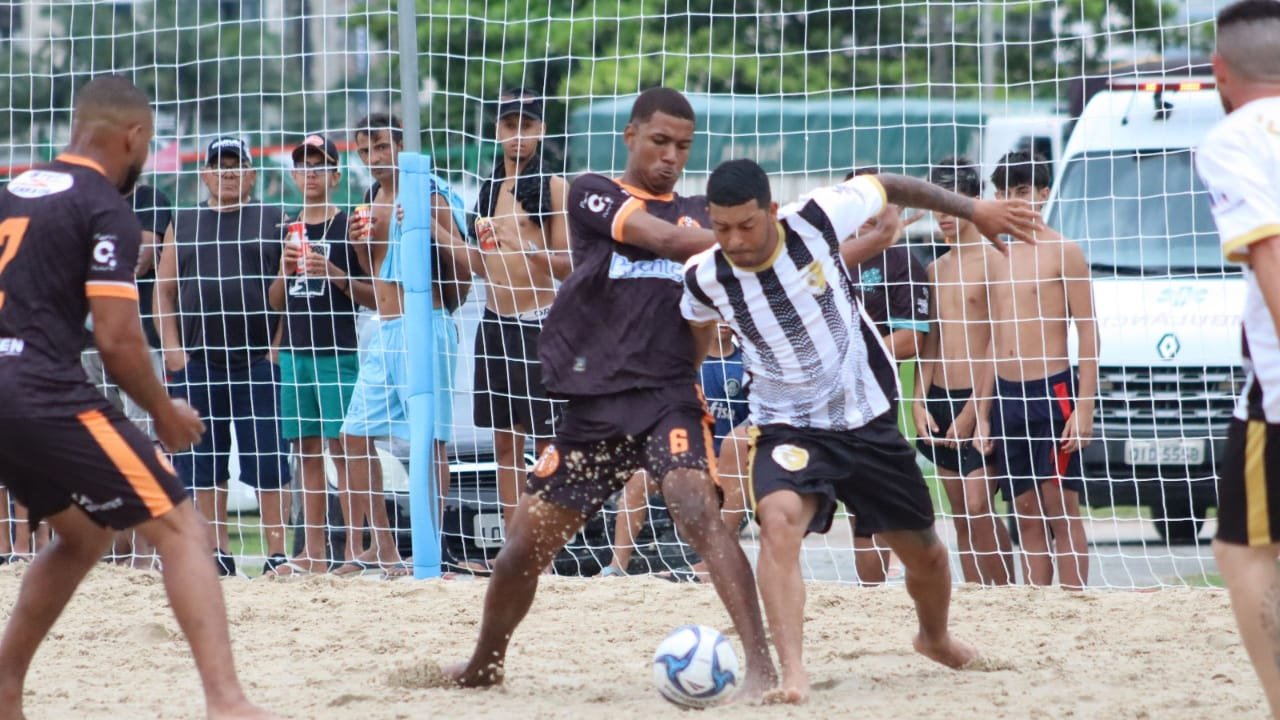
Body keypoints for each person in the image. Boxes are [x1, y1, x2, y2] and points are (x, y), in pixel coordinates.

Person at [444, 87, 778, 701]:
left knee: (694, 506)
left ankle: (761, 666)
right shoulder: (594, 191)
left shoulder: (705, 212)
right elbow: (670, 244)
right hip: (593, 407)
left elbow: (706, 313)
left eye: (683, 146)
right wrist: (751, 241)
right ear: (631, 136)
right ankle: (484, 663)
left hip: (665, 399)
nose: (671, 156)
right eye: (660, 142)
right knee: (522, 548)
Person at [682, 158, 1041, 703]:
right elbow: (693, 329)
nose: (734, 239)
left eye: (746, 225)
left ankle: (935, 636)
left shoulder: (816, 218)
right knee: (778, 524)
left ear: (773, 213)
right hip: (788, 426)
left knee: (927, 555)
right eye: (721, 226)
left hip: (866, 418)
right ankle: (793, 672)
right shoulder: (704, 276)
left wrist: (976, 209)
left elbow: (890, 185)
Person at [0, 74, 276, 720]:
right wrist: (163, 409)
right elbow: (119, 340)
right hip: (42, 388)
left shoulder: (14, 191)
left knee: (84, 534)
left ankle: (6, 690)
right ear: (134, 136)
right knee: (180, 524)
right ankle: (227, 702)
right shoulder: (107, 208)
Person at [1194, 1, 1280, 714]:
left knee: (1243, 549)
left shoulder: (1235, 137)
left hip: (1277, 395)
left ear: (1221, 72)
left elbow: (1272, 253)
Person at [338, 113, 471, 576]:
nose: (373, 159)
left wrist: (422, 227)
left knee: (428, 441)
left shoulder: (429, 193)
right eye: (364, 151)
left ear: (402, 145)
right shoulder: (372, 198)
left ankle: (431, 548)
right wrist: (358, 246)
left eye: (380, 147)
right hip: (386, 327)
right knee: (352, 435)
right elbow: (375, 279)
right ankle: (384, 548)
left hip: (426, 323)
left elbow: (465, 262)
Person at [155, 136, 292, 577]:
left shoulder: (273, 219)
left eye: (237, 165)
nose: (228, 172)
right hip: (198, 360)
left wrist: (275, 352)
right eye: (220, 165)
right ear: (205, 173)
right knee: (203, 465)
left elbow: (289, 289)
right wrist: (173, 352)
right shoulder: (187, 219)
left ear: (252, 173)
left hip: (257, 361)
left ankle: (277, 554)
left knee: (269, 462)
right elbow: (164, 288)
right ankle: (218, 553)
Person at [982, 149, 1098, 589]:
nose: (1014, 200)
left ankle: (1073, 606)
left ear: (1044, 193)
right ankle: (1037, 610)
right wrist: (983, 410)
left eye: (1023, 191)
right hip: (1008, 396)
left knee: (1061, 508)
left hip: (1053, 392)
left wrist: (1083, 408)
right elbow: (993, 338)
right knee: (1024, 512)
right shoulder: (998, 255)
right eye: (1005, 192)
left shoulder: (1063, 252)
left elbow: (1088, 332)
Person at [266, 134, 374, 575]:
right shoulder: (287, 228)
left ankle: (354, 548)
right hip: (295, 351)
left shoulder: (348, 225)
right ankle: (312, 551)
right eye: (303, 166)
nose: (310, 174)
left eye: (320, 166)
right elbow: (276, 301)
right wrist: (284, 267)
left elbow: (372, 295)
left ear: (334, 175)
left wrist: (334, 273)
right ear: (293, 176)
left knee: (344, 449)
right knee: (305, 451)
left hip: (336, 349)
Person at [468, 89, 571, 535]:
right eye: (510, 127)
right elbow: (480, 265)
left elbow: (569, 266)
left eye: (526, 126)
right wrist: (430, 224)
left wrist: (524, 246)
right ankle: (514, 542)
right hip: (494, 324)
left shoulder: (553, 186)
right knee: (504, 445)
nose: (518, 136)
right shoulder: (489, 188)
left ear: (540, 130)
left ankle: (544, 541)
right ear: (497, 132)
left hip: (539, 327)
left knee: (547, 443)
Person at [912, 158, 1013, 586]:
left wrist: (976, 408)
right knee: (960, 517)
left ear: (973, 204)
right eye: (938, 211)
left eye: (951, 210)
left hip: (981, 397)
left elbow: (996, 340)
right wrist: (917, 398)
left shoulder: (995, 263)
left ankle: (1009, 594)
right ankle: (977, 601)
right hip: (939, 397)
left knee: (979, 506)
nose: (943, 221)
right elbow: (930, 341)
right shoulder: (935, 269)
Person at [602, 321, 750, 580]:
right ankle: (616, 566)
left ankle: (719, 566)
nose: (722, 321)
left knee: (730, 483)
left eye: (727, 315)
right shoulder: (686, 364)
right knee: (638, 480)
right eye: (716, 314)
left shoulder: (745, 366)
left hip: (729, 462)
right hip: (687, 457)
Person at [841, 167, 931, 585]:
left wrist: (847, 353)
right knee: (780, 499)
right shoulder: (821, 256)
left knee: (870, 506)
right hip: (811, 397)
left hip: (870, 400)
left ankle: (872, 596)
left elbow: (912, 339)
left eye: (873, 200)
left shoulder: (900, 260)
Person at [83, 182, 173, 568]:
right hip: (87, 334)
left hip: (138, 336)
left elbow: (144, 256)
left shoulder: (149, 198)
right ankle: (116, 544)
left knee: (146, 438)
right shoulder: (83, 197)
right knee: (102, 438)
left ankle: (146, 547)